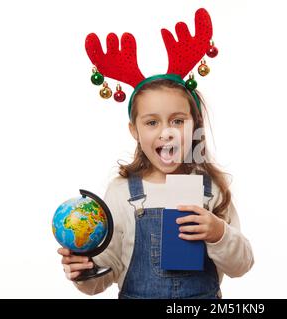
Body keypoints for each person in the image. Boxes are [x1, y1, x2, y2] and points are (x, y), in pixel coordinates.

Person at [57, 76, 254, 298]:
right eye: (152, 123)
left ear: (194, 125)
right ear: (134, 131)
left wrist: (219, 233)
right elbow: (106, 270)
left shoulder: (211, 190)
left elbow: (242, 265)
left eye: (178, 121)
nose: (166, 132)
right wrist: (85, 272)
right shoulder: (121, 191)